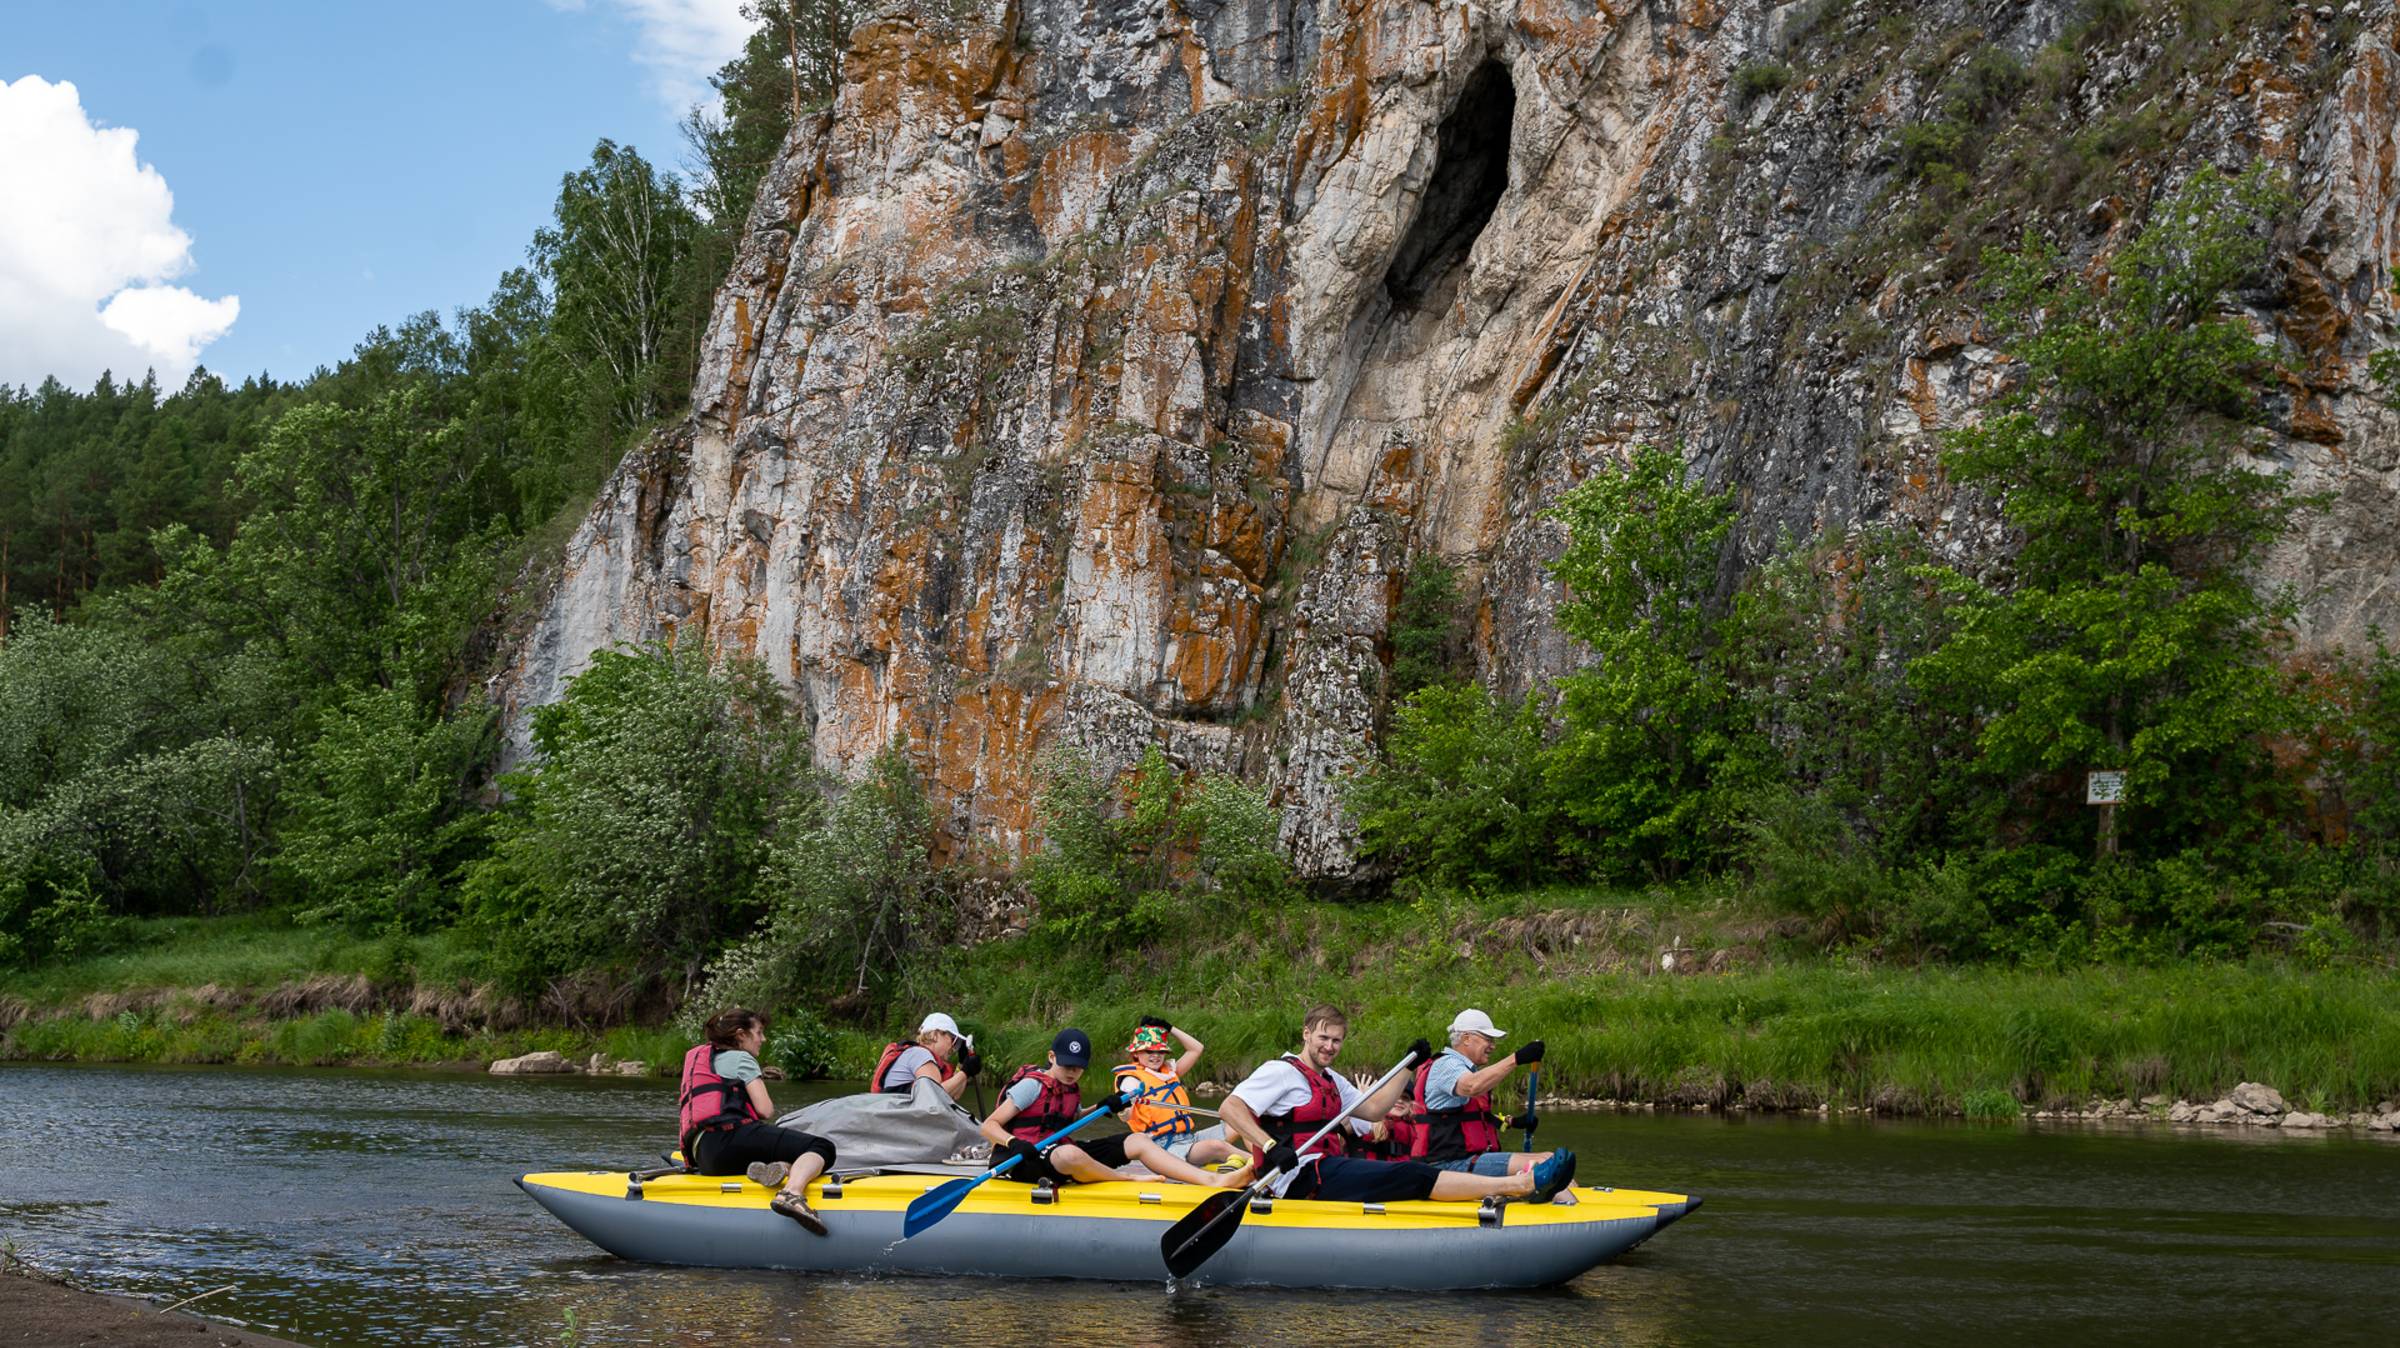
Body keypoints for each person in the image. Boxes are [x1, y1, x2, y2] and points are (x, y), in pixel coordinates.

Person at [1215, 1004, 1575, 1206]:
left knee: (1409, 1173)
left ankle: (1515, 1185)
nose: (1329, 1046)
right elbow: (1230, 1108)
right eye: (1323, 1037)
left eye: (1337, 1040)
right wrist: (1268, 1146)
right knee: (1413, 1174)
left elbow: (1373, 1111)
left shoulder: (1331, 1079)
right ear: (1306, 1034)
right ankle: (1520, 1186)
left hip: (1324, 1168)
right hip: (1293, 1178)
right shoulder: (1280, 1071)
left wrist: (1408, 1067)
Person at [978, 1028, 1254, 1189]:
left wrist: (1104, 1105)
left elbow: (1072, 1120)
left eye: (1078, 1068)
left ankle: (1211, 1181)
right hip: (1019, 1160)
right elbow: (988, 1125)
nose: (1072, 1072)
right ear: (1052, 1057)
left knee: (1138, 1139)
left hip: (1057, 1152)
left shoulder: (1071, 1088)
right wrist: (1012, 1142)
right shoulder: (1032, 1086)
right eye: (1066, 1066)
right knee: (1070, 1154)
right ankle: (1127, 1179)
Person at [678, 1008, 836, 1233]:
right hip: (731, 1139)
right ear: (741, 1035)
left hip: (704, 1155)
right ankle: (791, 1194)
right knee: (820, 1146)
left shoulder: (700, 1059)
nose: (763, 1039)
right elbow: (765, 1110)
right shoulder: (742, 1058)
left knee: (774, 1147)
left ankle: (777, 1168)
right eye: (759, 1032)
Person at [1410, 1008, 1556, 1177]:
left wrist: (1513, 1122)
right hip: (1446, 1166)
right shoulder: (1447, 1064)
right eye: (1488, 1039)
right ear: (1466, 1039)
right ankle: (1563, 1201)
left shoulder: (1465, 1069)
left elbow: (1473, 1117)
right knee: (1546, 1164)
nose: (1492, 1046)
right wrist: (1517, 1058)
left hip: (1468, 1160)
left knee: (1551, 1158)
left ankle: (1570, 1199)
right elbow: (1471, 1087)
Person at [1111, 1016, 1236, 1165]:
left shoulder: (1169, 1072)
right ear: (1136, 1053)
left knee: (1244, 1123)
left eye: (1160, 1051)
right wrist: (1123, 1110)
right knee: (1217, 1146)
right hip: (1164, 1148)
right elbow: (1126, 1115)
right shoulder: (1131, 1080)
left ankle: (1260, 1161)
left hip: (1189, 1138)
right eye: (1149, 1051)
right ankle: (1260, 1166)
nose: (1155, 1055)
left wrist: (1168, 1027)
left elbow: (1196, 1049)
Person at [870, 1011, 981, 1101]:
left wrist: (962, 1065)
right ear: (935, 1035)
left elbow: (954, 1096)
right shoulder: (921, 1055)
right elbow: (932, 1097)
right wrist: (965, 1072)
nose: (953, 1048)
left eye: (957, 1045)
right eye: (953, 1040)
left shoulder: (916, 1053)